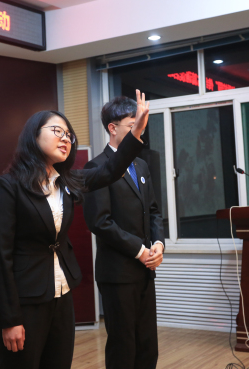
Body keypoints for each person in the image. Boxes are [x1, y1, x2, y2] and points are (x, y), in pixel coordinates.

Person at [0, 90, 150, 369]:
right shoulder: (8, 186)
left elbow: (110, 170)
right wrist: (9, 318)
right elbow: (0, 258)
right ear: (33, 135)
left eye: (69, 135)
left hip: (62, 293)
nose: (65, 138)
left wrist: (135, 133)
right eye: (57, 131)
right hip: (26, 300)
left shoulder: (66, 181)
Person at [82, 96, 165, 369]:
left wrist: (158, 244)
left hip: (145, 270)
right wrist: (140, 251)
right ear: (112, 128)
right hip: (117, 273)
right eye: (132, 126)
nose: (138, 131)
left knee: (147, 344)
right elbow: (100, 222)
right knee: (123, 345)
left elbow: (153, 211)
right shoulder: (95, 168)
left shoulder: (141, 165)